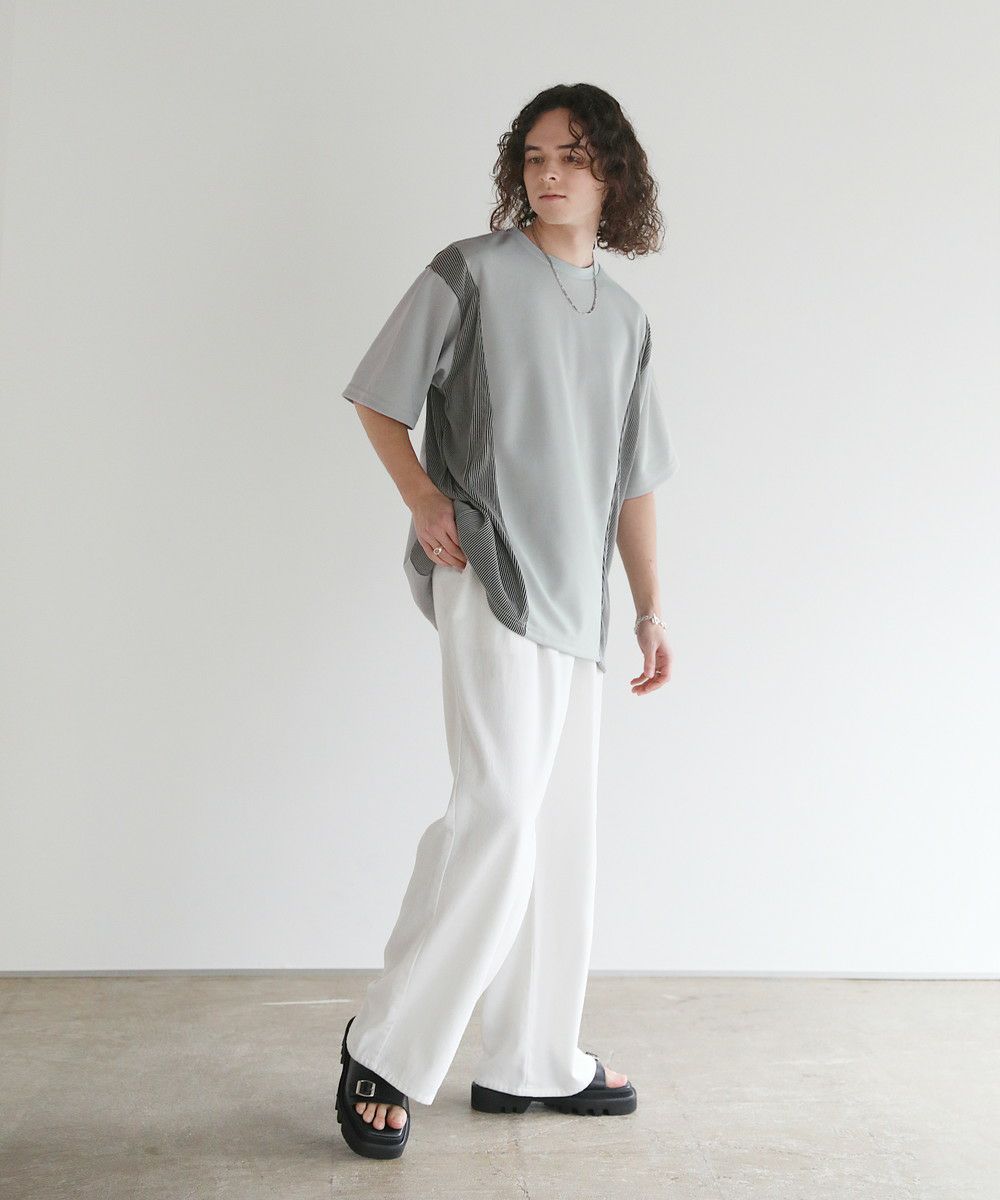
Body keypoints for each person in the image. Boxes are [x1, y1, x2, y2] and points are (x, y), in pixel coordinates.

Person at [335, 82, 679, 1159]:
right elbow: (379, 396)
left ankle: (531, 1057)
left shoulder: (627, 319)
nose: (550, 173)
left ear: (612, 175)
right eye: (534, 156)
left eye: (572, 156)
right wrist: (423, 499)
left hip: (580, 603)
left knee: (560, 836)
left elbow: (633, 481)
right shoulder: (470, 272)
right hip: (487, 570)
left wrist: (651, 607)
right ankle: (388, 1048)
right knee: (498, 815)